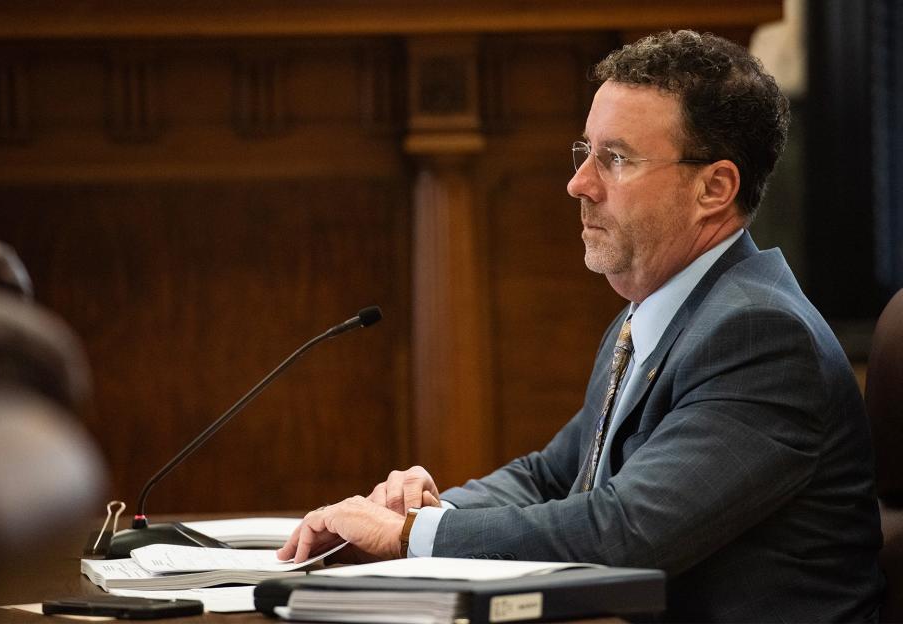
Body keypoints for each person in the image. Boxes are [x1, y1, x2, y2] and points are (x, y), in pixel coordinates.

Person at [278, 30, 884, 621]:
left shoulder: (761, 337)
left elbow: (624, 533)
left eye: (615, 159)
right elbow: (555, 477)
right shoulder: (651, 315)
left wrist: (411, 535)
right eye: (584, 153)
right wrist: (423, 506)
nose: (579, 184)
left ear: (715, 187)